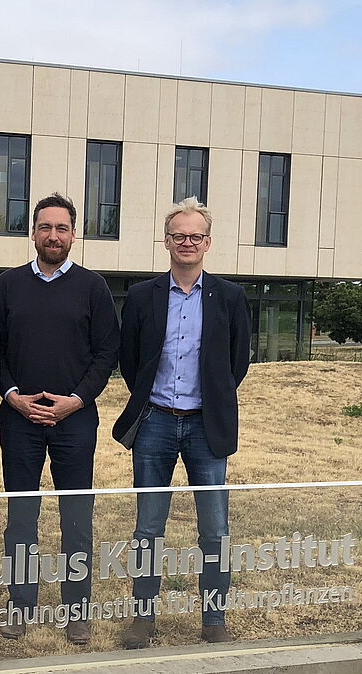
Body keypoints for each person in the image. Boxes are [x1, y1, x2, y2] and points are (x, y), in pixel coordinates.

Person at [112, 196, 251, 649]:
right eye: (178, 236)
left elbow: (236, 363)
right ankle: (143, 616)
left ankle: (214, 617)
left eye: (195, 236)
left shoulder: (229, 297)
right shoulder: (140, 296)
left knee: (214, 529)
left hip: (205, 428)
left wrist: (210, 398)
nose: (186, 243)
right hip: (154, 422)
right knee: (148, 527)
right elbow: (131, 362)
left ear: (207, 243)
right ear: (166, 241)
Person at [0, 193, 120, 645]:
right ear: (32, 232)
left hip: (75, 419)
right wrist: (12, 397)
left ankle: (77, 607)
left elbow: (107, 353)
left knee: (76, 515)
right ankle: (20, 604)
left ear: (73, 234)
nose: (53, 235)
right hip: (20, 419)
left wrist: (76, 400)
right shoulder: (8, 285)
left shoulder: (93, 287)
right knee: (22, 516)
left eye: (61, 228)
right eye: (45, 227)